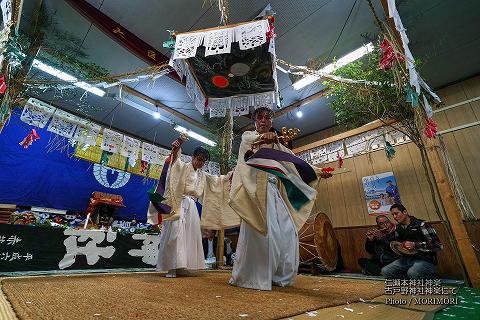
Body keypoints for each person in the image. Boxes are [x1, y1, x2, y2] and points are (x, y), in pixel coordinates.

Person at [228, 107, 330, 290]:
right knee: (266, 235)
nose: (264, 120)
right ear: (255, 121)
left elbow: (296, 164)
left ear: (272, 122)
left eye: (268, 118)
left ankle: (279, 276)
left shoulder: (278, 146)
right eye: (260, 118)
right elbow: (252, 142)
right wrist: (263, 138)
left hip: (275, 193)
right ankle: (253, 277)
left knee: (288, 232)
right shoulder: (248, 137)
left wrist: (319, 172)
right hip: (256, 195)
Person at [155, 142, 210, 278]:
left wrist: (227, 177)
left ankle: (182, 266)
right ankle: (171, 267)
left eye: (203, 161)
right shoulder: (184, 167)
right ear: (193, 157)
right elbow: (175, 162)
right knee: (175, 234)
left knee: (188, 236)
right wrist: (177, 148)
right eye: (199, 159)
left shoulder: (201, 175)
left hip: (191, 206)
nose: (200, 163)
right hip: (178, 204)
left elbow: (214, 181)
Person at [381, 204, 443, 279]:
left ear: (405, 212)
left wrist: (415, 245)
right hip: (407, 259)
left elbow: (438, 245)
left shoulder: (422, 224)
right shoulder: (398, 228)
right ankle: (411, 284)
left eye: (396, 213)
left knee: (413, 272)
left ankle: (430, 280)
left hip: (425, 260)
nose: (394, 217)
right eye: (393, 215)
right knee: (386, 271)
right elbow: (398, 244)